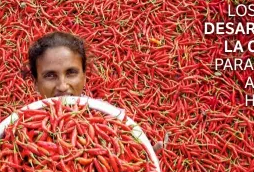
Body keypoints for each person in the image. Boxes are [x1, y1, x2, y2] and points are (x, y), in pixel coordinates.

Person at [27, 31, 164, 152]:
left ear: (84, 76)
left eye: (71, 73)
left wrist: (140, 158)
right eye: (50, 75)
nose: (62, 86)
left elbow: (125, 164)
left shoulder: (110, 118)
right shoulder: (22, 128)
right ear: (36, 83)